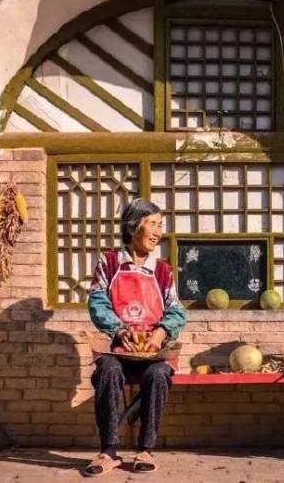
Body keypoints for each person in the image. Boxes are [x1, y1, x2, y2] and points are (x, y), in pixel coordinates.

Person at [84, 198, 187, 476]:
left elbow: (177, 311)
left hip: (153, 350)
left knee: (158, 374)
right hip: (120, 348)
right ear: (133, 226)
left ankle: (145, 449)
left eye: (160, 225)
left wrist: (161, 331)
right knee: (107, 369)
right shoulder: (109, 262)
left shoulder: (163, 270)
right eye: (152, 223)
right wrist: (118, 329)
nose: (158, 231)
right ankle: (108, 451)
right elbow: (96, 302)